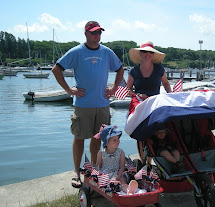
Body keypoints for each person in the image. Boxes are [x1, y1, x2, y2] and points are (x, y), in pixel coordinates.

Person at [52, 21, 124, 188]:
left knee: (97, 138)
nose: (96, 35)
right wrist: (69, 90)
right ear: (86, 34)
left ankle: (94, 168)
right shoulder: (77, 51)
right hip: (83, 104)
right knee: (79, 138)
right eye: (93, 33)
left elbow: (120, 69)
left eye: (99, 32)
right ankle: (77, 172)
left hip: (103, 103)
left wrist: (114, 88)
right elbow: (56, 69)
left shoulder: (107, 52)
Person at [126, 40, 171, 161]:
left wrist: (172, 96)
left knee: (156, 133)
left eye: (150, 52)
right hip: (140, 105)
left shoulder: (159, 69)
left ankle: (153, 160)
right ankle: (143, 162)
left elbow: (166, 84)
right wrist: (138, 95)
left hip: (155, 105)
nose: (147, 54)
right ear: (140, 54)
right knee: (140, 134)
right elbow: (127, 89)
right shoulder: (133, 71)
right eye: (144, 51)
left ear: (153, 55)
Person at [96, 125, 138, 194]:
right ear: (107, 142)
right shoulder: (101, 153)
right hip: (106, 174)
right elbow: (98, 166)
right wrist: (99, 175)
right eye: (114, 140)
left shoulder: (120, 152)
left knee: (122, 180)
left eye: (118, 139)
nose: (118, 141)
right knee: (109, 180)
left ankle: (128, 189)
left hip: (118, 173)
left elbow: (122, 167)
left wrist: (118, 176)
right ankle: (115, 186)